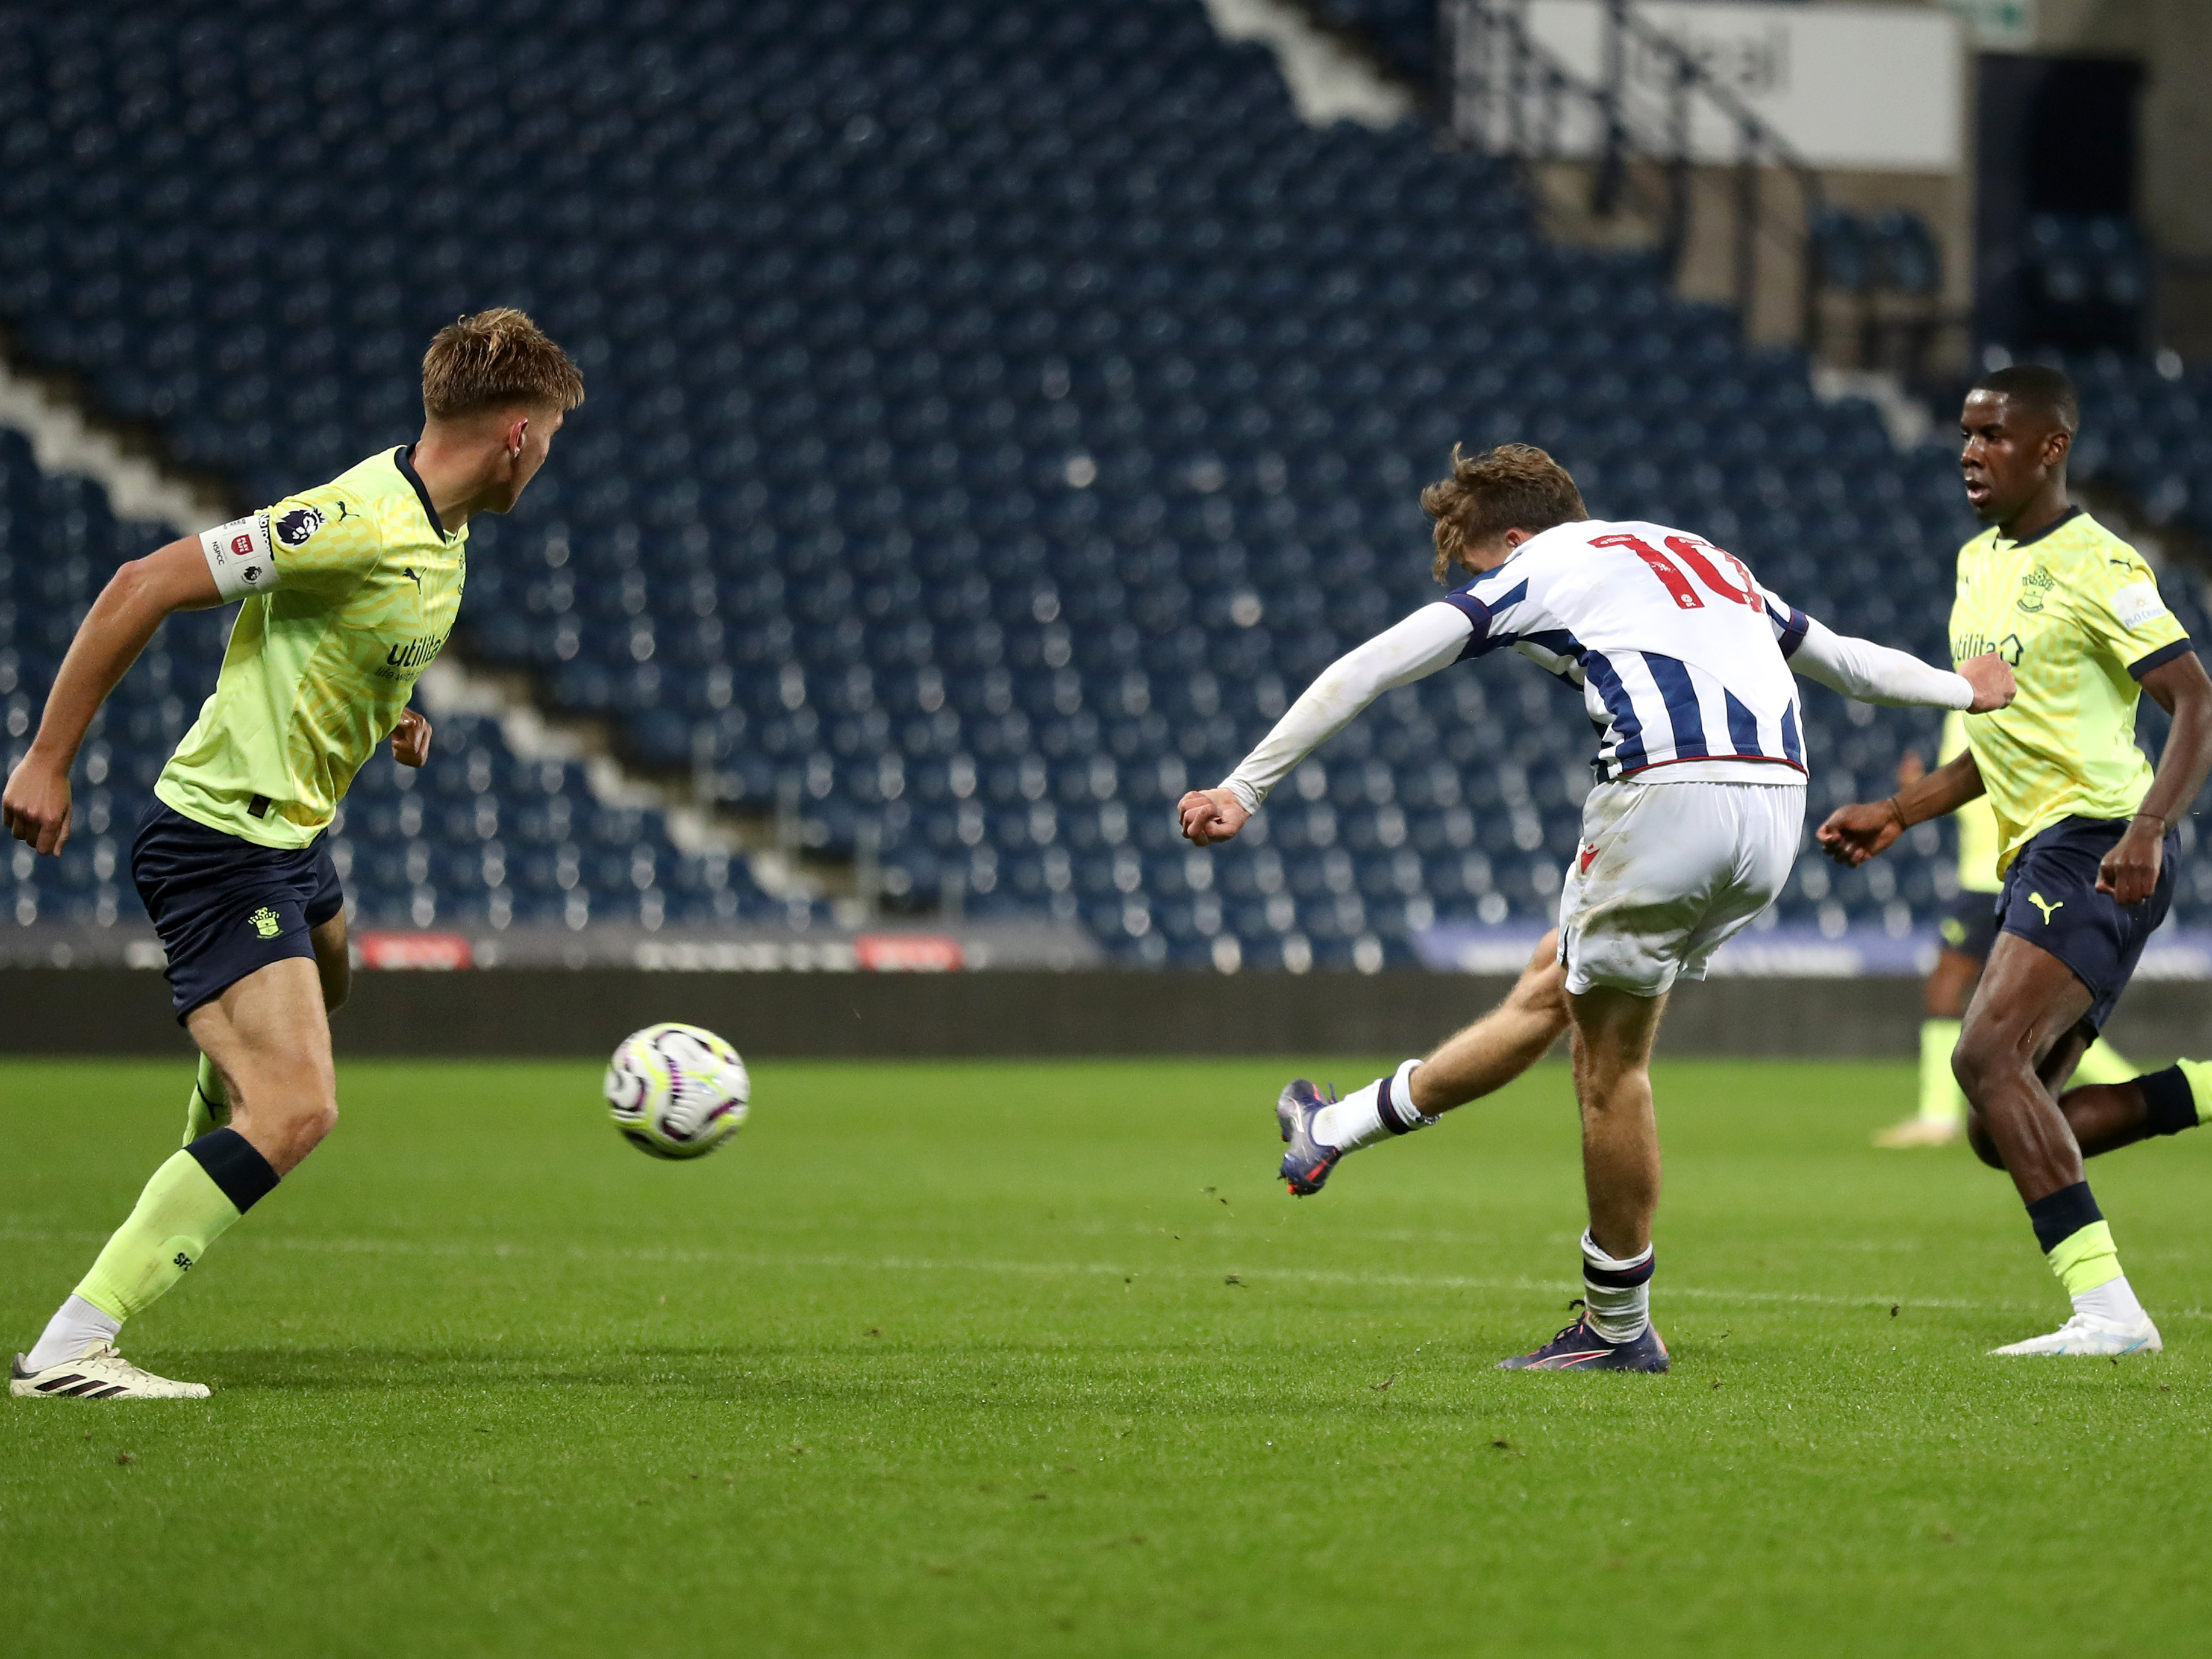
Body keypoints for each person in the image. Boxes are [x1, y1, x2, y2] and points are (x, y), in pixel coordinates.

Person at [1178, 443, 2013, 1372]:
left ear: (1519, 534)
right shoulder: (1704, 556)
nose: (1482, 583)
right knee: (1554, 981)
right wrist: (1960, 689)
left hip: (1665, 798)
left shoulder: (1536, 567)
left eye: (1480, 561)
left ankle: (1617, 1329)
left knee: (1609, 1065)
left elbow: (1370, 667)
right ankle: (1333, 1129)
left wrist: (1243, 788)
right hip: (1775, 811)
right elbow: (1849, 665)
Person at [3, 309, 583, 1400]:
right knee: (298, 1107)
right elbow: (141, 583)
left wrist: (392, 710)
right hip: (223, 842)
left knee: (333, 975)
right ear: (516, 432)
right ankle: (72, 1344)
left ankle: (229, 1072)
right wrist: (47, 757)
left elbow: (358, 639)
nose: (548, 456)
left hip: (294, 839)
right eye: (548, 434)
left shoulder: (443, 530)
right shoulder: (356, 517)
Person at [1819, 363, 2212, 1357]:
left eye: (1993, 435)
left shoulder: (2102, 564)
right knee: (2001, 1126)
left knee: (1983, 1055)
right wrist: (1901, 809)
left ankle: (2108, 1312)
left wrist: (2148, 829)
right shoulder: (1973, 566)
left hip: (2098, 840)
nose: (1968, 451)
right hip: (2038, 848)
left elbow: (2198, 703)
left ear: (2049, 447)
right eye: (1964, 432)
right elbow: (1997, 741)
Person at [1875, 714, 2134, 1149]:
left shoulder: (2009, 708)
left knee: (1951, 987)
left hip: (2000, 873)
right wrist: (1920, 788)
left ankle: (1938, 1117)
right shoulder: (1961, 712)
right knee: (2036, 1008)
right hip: (1998, 872)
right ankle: (2131, 1088)